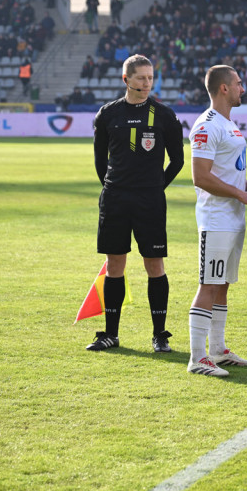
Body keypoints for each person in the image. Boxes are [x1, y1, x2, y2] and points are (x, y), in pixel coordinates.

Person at [87, 54, 184, 354]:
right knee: (114, 265)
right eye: (140, 77)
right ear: (125, 79)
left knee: (154, 265)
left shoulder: (164, 115)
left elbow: (178, 161)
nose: (146, 83)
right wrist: (114, 187)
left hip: (150, 201)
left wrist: (154, 188)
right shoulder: (107, 114)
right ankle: (111, 334)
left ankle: (160, 335)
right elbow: (100, 161)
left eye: (150, 77)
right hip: (115, 199)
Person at [186, 65, 247, 377]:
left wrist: (246, 185)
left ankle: (217, 349)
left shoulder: (229, 124)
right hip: (216, 219)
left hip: (233, 218)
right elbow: (201, 177)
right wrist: (239, 194)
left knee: (223, 285)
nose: (243, 88)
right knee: (209, 284)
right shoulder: (206, 125)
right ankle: (197, 356)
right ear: (224, 89)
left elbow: (226, 168)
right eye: (239, 83)